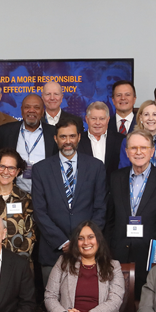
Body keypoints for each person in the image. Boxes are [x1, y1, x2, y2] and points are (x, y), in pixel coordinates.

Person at [32, 117, 107, 282]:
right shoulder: (40, 169)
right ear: (55, 138)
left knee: (85, 296)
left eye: (72, 136)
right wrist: (63, 242)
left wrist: (84, 240)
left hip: (88, 251)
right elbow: (39, 211)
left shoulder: (96, 167)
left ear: (79, 137)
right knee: (52, 297)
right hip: (53, 251)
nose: (68, 141)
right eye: (63, 137)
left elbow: (100, 208)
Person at [106, 130, 156, 292]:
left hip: (152, 256)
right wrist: (108, 251)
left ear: (152, 151)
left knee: (147, 301)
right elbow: (109, 219)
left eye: (144, 148)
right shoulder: (115, 178)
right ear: (127, 152)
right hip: (118, 254)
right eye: (133, 148)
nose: (138, 152)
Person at [0, 93, 57, 193]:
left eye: (36, 107)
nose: (31, 110)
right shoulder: (5, 132)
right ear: (21, 110)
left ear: (42, 112)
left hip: (45, 193)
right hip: (13, 193)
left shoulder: (54, 133)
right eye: (27, 107)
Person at [117, 100, 156, 177]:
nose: (150, 118)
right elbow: (123, 172)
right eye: (146, 114)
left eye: (154, 114)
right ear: (140, 118)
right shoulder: (127, 141)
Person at [78, 101, 124, 177]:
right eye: (93, 118)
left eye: (102, 119)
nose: (97, 122)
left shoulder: (120, 140)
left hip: (112, 184)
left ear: (108, 120)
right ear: (87, 119)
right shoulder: (78, 140)